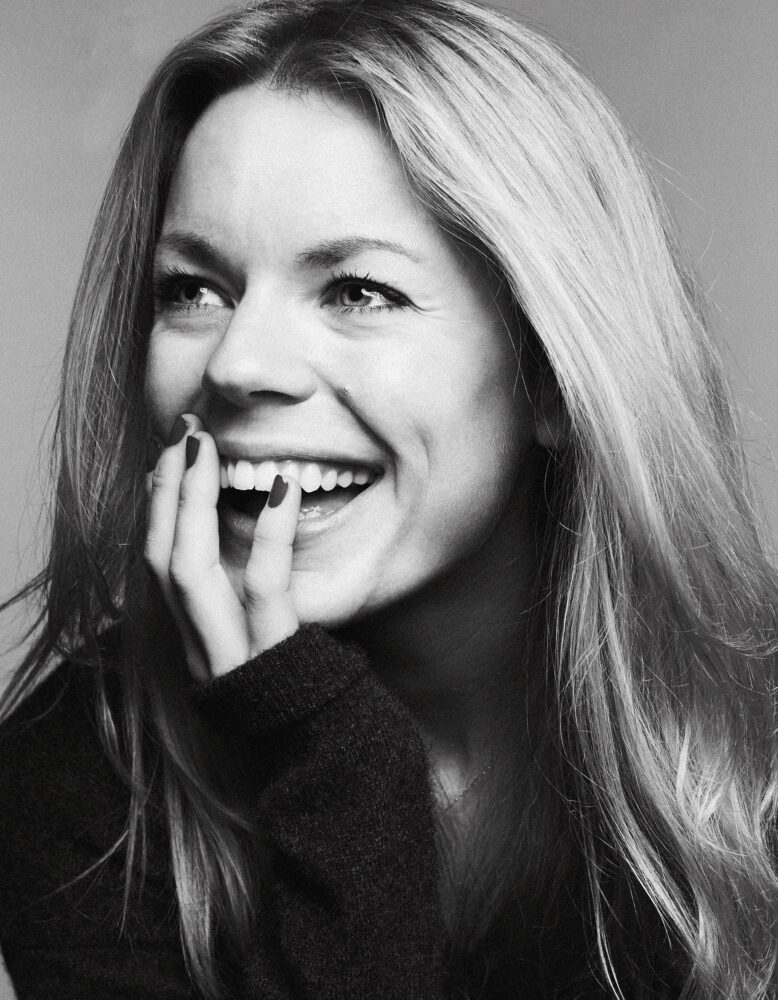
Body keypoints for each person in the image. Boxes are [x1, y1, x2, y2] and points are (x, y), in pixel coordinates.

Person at [1, 0, 777, 997]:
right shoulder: (83, 777)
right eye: (193, 290)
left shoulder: (754, 733)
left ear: (551, 375)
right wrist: (333, 758)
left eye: (357, 291)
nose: (237, 365)